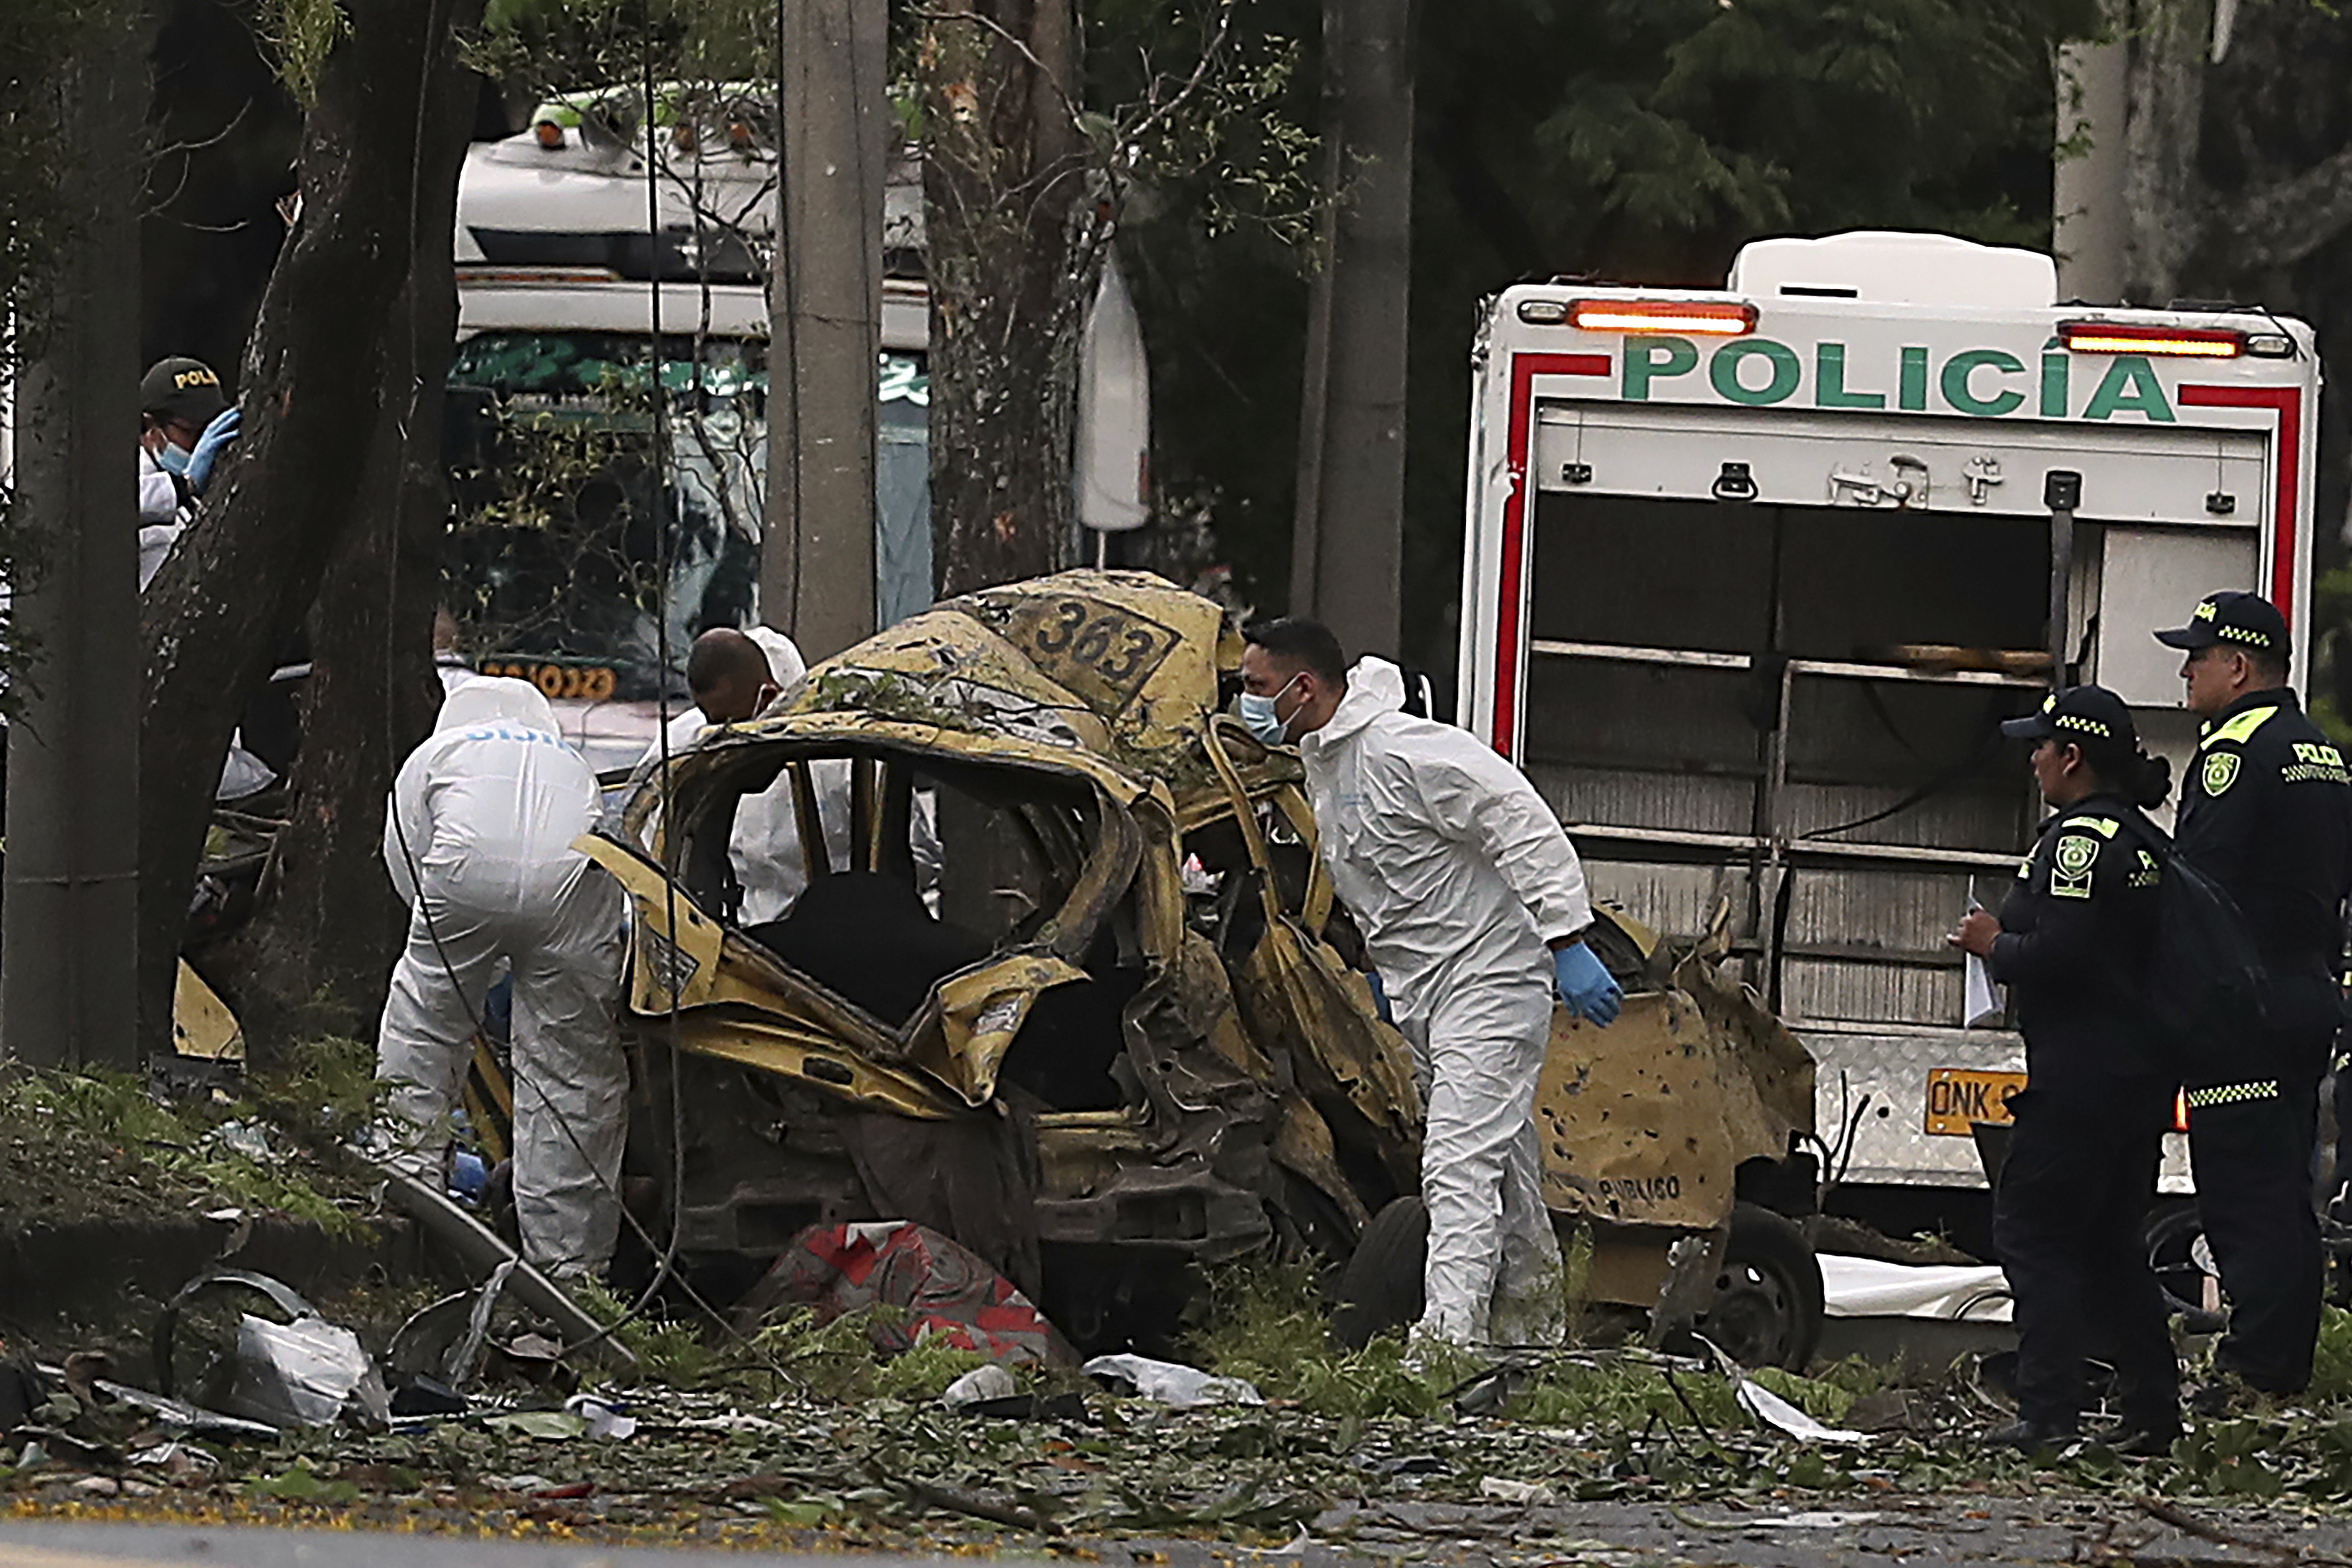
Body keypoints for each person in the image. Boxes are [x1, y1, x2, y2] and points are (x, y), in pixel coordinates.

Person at [1239, 617, 1622, 1350]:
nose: (1248, 703)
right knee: (1501, 1171)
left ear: (1305, 686)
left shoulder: (1400, 749)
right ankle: (1533, 1342)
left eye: (1257, 687)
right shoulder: (1329, 767)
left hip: (1490, 977)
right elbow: (1391, 886)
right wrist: (1390, 981)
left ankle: (1445, 1348)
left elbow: (1517, 819)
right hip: (1435, 992)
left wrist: (1566, 937)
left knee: (1457, 1166)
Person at [1949, 686, 2181, 1453]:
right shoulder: (2150, 841)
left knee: (2034, 1232)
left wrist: (1993, 946)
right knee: (2114, 1245)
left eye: (2041, 745)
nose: (2034, 758)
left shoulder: (2080, 840)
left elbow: (2066, 953)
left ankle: (2048, 1411)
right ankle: (2152, 1414)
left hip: (2082, 1077)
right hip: (2137, 1080)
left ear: (2072, 756)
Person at [2152, 589, 2351, 1403]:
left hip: (2245, 1006)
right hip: (2308, 994)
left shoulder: (2235, 753)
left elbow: (2201, 889)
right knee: (2288, 1188)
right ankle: (2282, 1364)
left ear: (2238, 668)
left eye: (2196, 656)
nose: (2186, 669)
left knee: (2243, 1191)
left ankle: (2256, 1373)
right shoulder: (2325, 754)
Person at [374, 677, 626, 1279]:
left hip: (463, 876)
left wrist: (461, 960)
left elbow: (405, 860)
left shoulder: (435, 755)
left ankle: (407, 1206)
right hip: (574, 887)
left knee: (425, 1037)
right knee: (573, 1074)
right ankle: (572, 1271)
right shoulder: (567, 758)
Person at [642, 624, 937, 925]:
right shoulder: (684, 742)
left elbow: (913, 860)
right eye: (717, 723)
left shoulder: (847, 754)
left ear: (771, 697)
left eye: (735, 723)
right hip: (725, 939)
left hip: (835, 938)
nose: (726, 737)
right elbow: (652, 850)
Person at [138, 356, 240, 525]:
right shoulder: (128, 476)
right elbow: (109, 507)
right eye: (193, 430)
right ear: (150, 426)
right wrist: (185, 486)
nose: (205, 444)